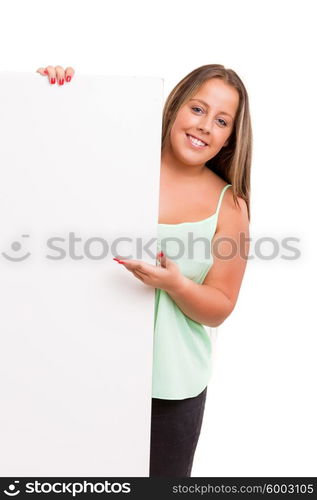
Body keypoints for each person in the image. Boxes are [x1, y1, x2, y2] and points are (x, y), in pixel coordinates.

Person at [36, 64, 252, 477]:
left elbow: (220, 306)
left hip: (171, 390)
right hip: (86, 368)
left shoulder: (230, 205)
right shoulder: (115, 165)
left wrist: (175, 284)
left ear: (230, 137)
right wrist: (54, 90)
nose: (206, 126)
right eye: (198, 109)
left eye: (221, 121)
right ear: (173, 109)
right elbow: (49, 158)